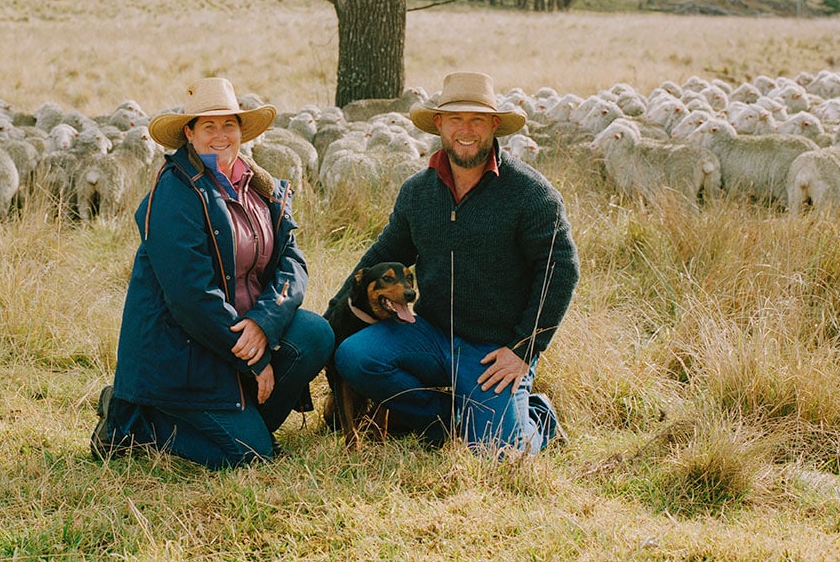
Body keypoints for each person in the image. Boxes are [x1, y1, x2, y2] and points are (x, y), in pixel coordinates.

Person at [331, 71, 579, 455]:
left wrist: (523, 349)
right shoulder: (417, 192)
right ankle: (446, 418)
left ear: (494, 125)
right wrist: (334, 312)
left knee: (500, 454)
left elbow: (560, 270)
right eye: (455, 119)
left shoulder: (530, 193)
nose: (466, 130)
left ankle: (538, 417)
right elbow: (384, 253)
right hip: (428, 334)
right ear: (439, 124)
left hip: (494, 349)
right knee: (355, 356)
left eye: (477, 119)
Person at [91, 77, 334, 469]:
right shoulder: (175, 192)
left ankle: (243, 423)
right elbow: (191, 296)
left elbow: (292, 262)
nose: (220, 135)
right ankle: (134, 424)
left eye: (229, 125)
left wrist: (264, 322)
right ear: (190, 133)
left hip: (240, 334)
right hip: (186, 349)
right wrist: (253, 359)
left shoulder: (261, 188)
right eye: (208, 126)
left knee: (314, 333)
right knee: (250, 455)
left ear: (241, 130)